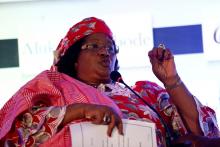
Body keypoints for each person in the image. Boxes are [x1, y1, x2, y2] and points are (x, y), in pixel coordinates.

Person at [0, 17, 219, 147]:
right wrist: (80, 110)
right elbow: (17, 133)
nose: (106, 53)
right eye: (94, 46)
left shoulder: (143, 93)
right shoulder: (54, 89)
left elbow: (203, 133)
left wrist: (172, 80)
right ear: (74, 58)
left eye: (110, 48)